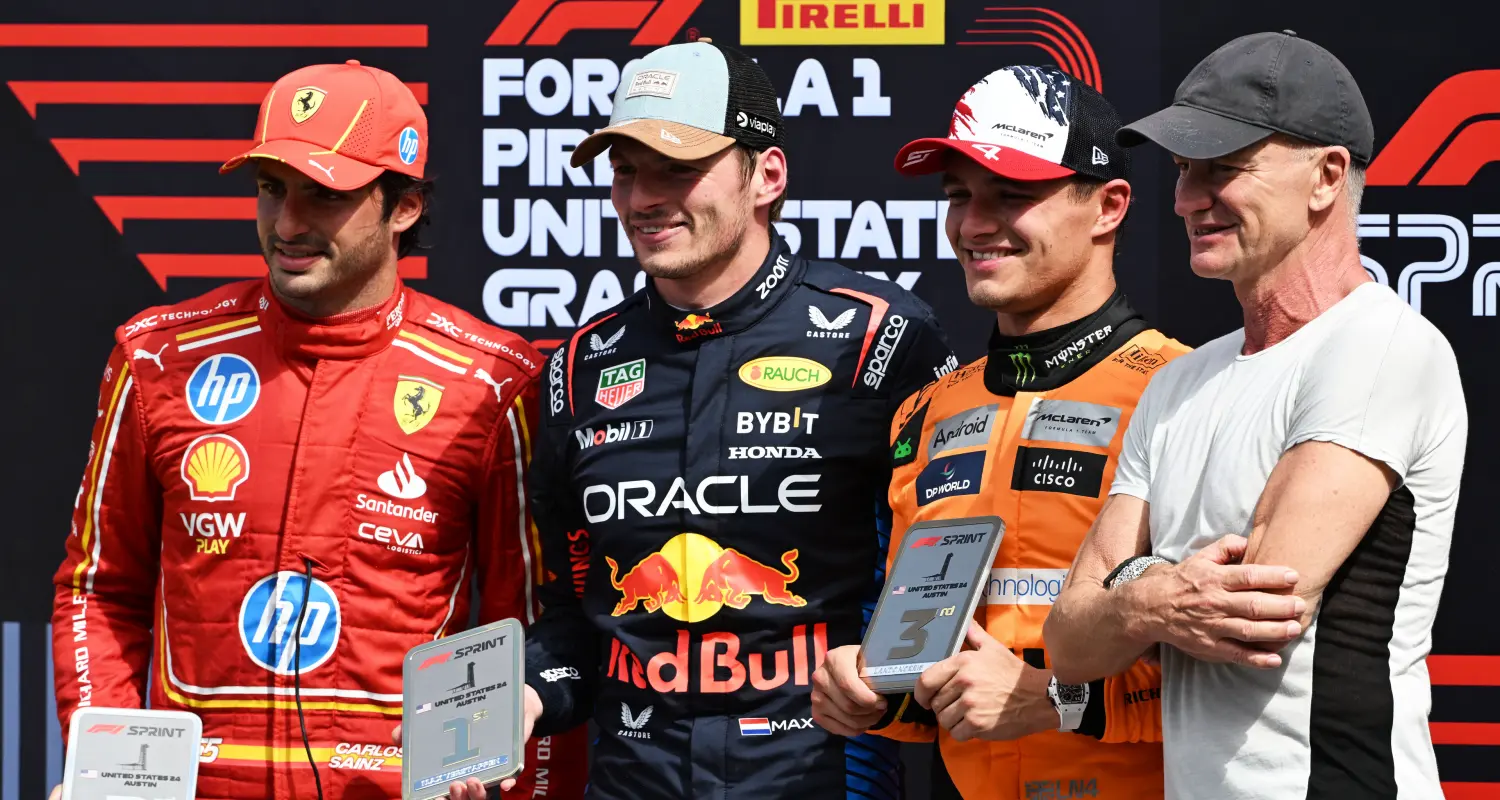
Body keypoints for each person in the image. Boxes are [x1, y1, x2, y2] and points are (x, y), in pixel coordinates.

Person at [49, 60, 587, 800]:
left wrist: (514, 786)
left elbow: (529, 623)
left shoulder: (494, 381)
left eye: (324, 195)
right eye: (271, 188)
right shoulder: (158, 356)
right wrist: (104, 778)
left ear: (403, 206)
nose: (288, 223)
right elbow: (98, 590)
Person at [516, 38, 957, 799]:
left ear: (768, 175)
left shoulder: (881, 338)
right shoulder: (578, 368)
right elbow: (572, 616)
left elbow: (945, 565)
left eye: (678, 169)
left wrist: (892, 677)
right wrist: (519, 700)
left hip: (819, 778)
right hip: (631, 782)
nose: (643, 198)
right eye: (625, 171)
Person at [1044, 31, 1468, 800]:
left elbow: (1259, 609)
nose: (1186, 199)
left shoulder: (1382, 345)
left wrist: (1127, 590)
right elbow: (1069, 644)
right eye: (1180, 171)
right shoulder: (1179, 382)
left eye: (1222, 169)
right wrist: (1151, 598)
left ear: (1326, 177)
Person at [808, 65, 1190, 799]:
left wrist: (1054, 697)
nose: (973, 222)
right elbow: (930, 668)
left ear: (1108, 206)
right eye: (959, 195)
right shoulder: (928, 413)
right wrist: (871, 690)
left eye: (1011, 194)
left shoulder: (1187, 391)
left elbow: (1245, 670)